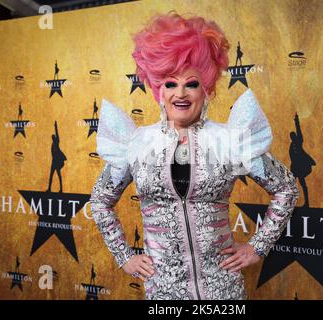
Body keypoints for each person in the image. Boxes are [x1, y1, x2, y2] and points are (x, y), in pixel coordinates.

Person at [89, 11, 299, 300]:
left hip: (223, 290)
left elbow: (286, 188)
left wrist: (257, 247)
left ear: (206, 88)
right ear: (158, 90)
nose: (181, 94)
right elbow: (100, 202)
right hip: (163, 291)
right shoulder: (137, 143)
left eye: (191, 83)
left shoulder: (230, 140)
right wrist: (124, 256)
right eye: (170, 84)